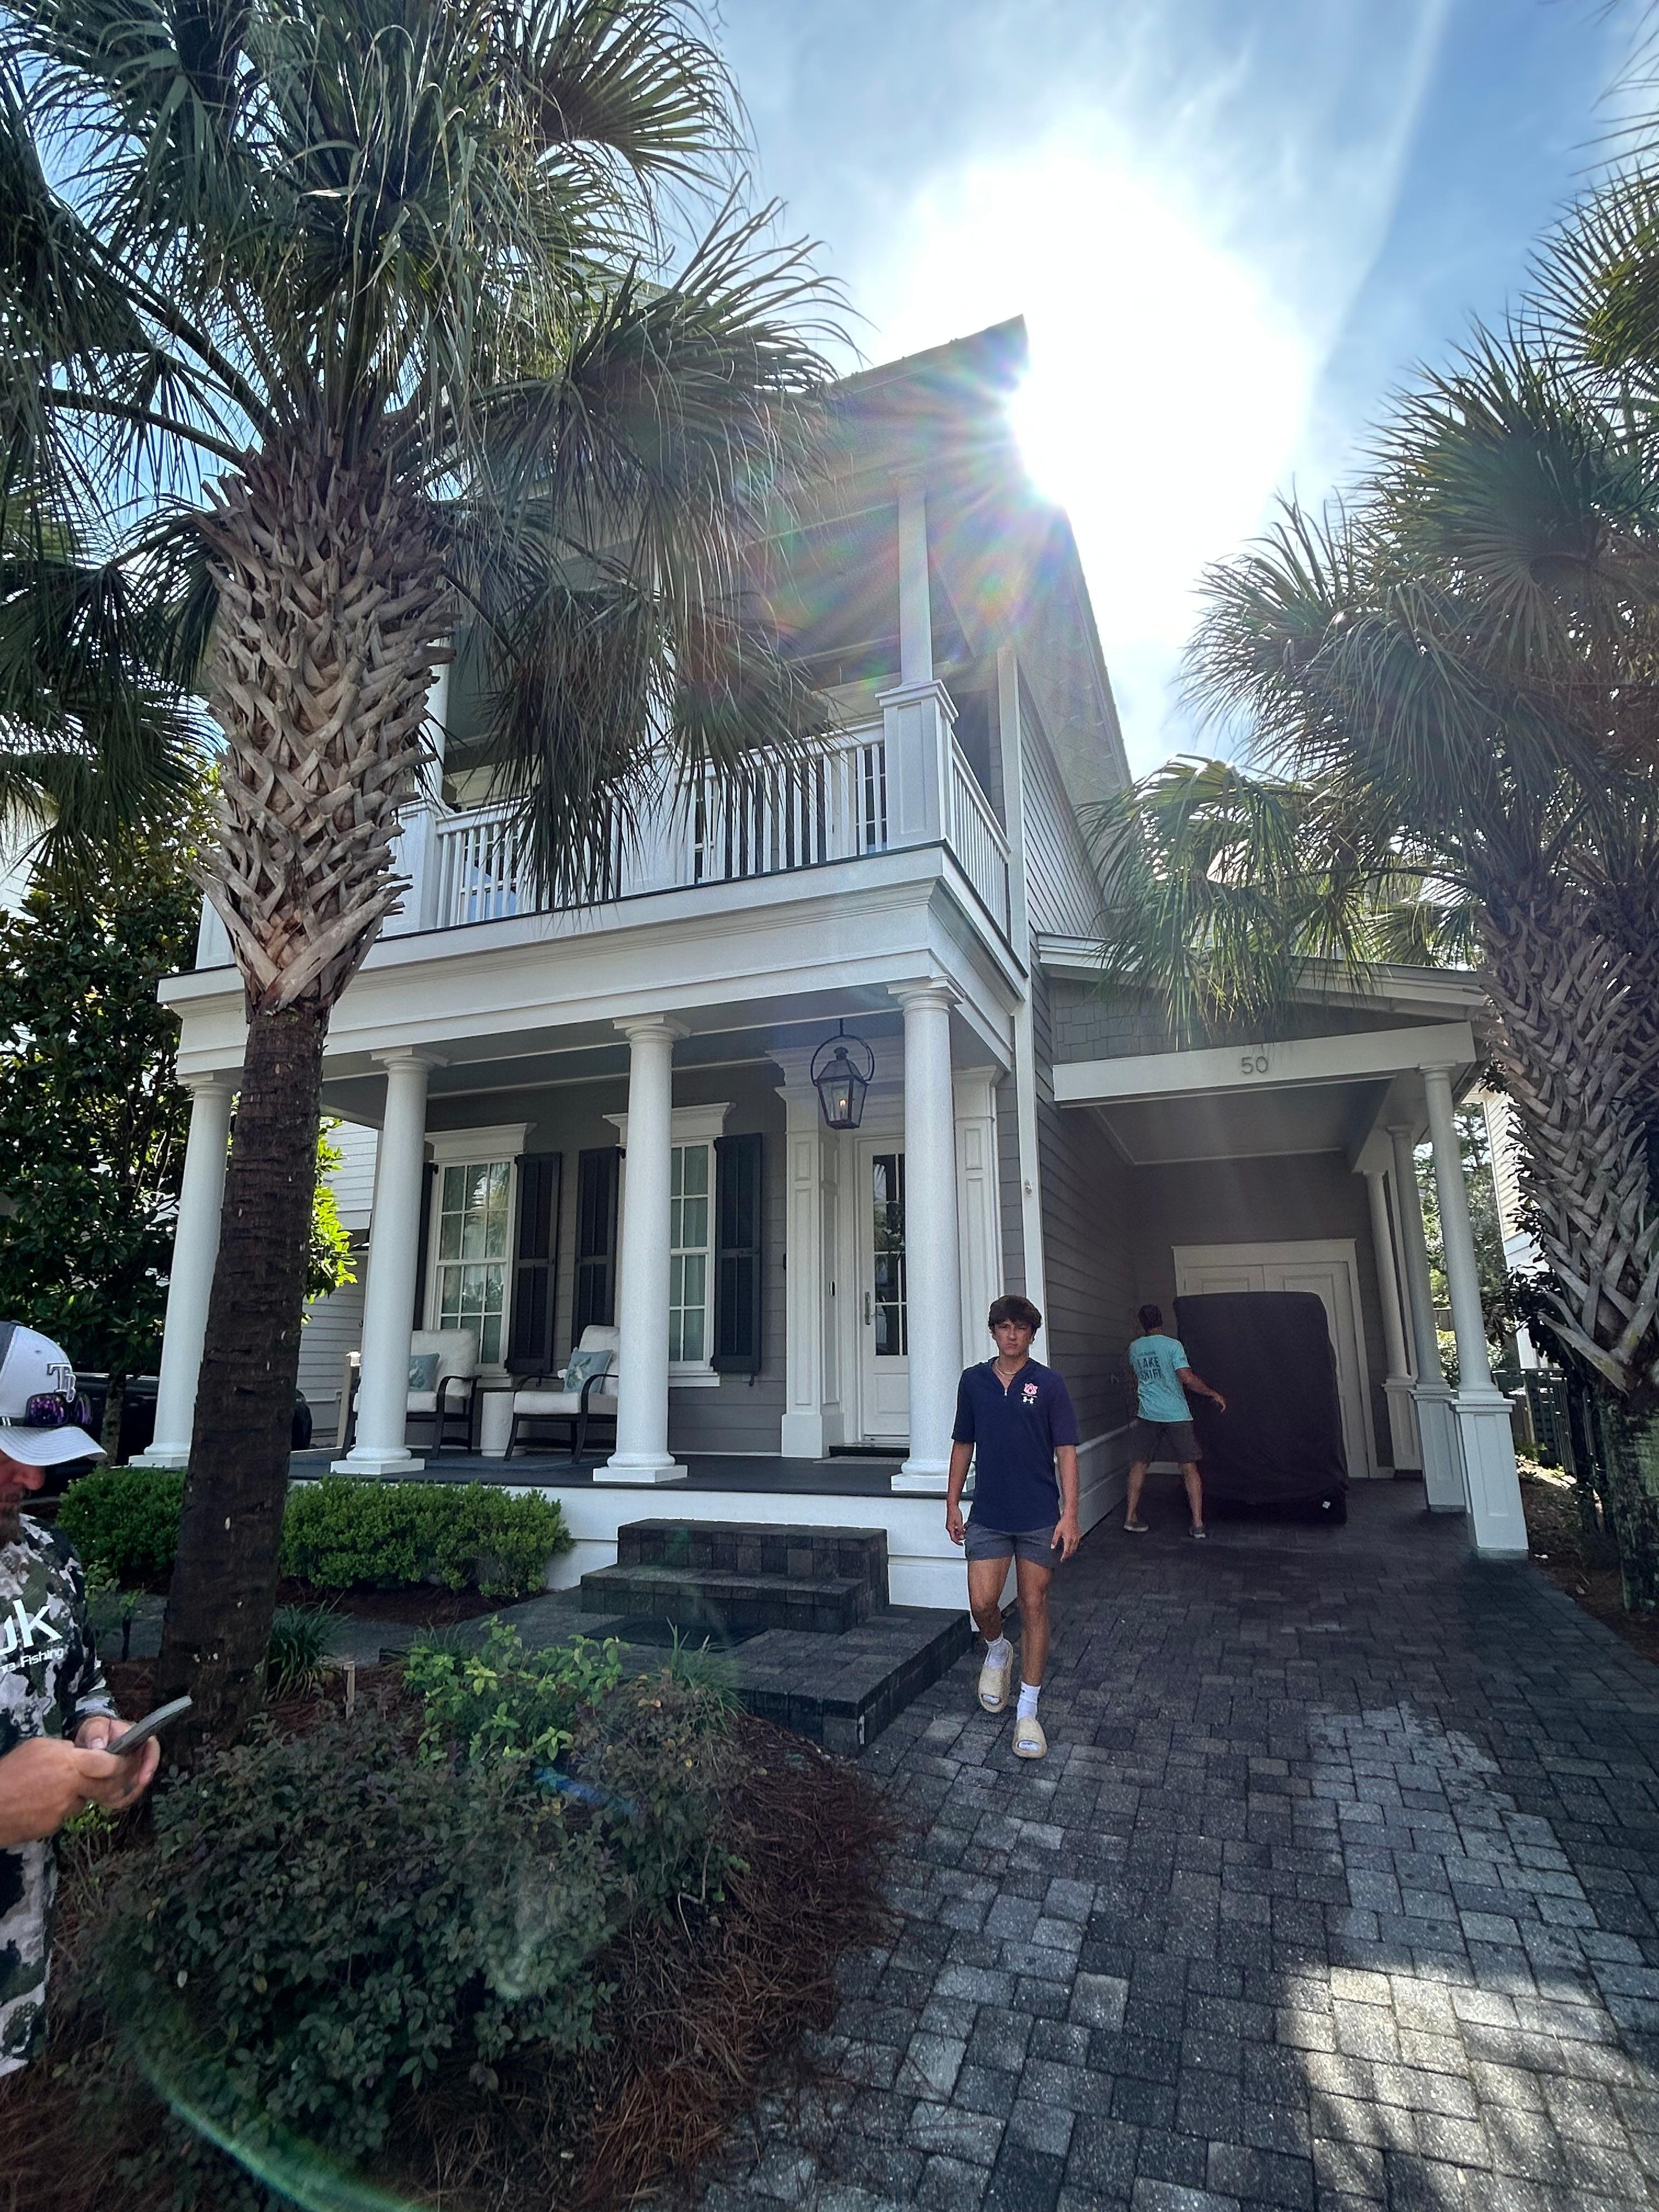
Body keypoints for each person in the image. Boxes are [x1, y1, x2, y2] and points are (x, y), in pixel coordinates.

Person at [0, 1322, 160, 2073]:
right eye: (13, 1452)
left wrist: (102, 1733)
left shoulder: (50, 1559)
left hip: (20, 1953)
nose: (33, 1482)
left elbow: (82, 1686)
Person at [945, 1294, 1080, 1762]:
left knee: (1033, 1603)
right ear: (994, 1331)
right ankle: (998, 1649)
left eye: (1020, 1328)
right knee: (983, 1602)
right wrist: (952, 1502)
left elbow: (1066, 1451)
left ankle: (1028, 1708)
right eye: (1004, 1327)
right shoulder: (974, 1382)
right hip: (989, 1513)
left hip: (1039, 1515)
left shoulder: (1050, 1384)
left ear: (1031, 1334)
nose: (1012, 1335)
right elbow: (963, 1442)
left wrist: (1070, 1513)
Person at [1124, 1302, 1227, 1539]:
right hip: (1176, 1414)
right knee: (1189, 1467)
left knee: (1139, 1464)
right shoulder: (1173, 1346)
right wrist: (1212, 1393)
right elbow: (1186, 1378)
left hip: (1147, 1412)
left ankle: (1130, 1517)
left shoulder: (1135, 1348)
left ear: (1142, 1323)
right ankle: (1198, 1524)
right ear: (1161, 1321)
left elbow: (1136, 1377)